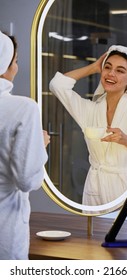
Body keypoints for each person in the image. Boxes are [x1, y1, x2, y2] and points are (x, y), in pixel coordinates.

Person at [49, 45, 127, 207]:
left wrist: (126, 140)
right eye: (107, 67)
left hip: (126, 187)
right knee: (92, 232)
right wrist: (94, 67)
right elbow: (57, 85)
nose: (111, 74)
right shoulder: (90, 110)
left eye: (120, 70)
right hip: (94, 187)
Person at [0, 31, 49, 259]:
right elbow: (27, 180)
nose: (16, 68)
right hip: (5, 231)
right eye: (16, 61)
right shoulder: (24, 109)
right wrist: (40, 145)